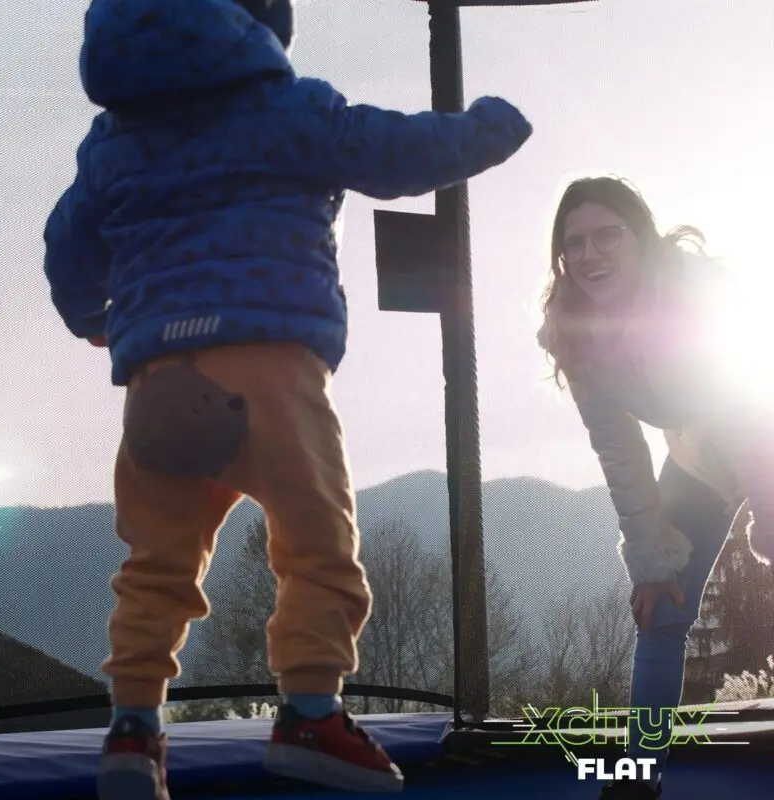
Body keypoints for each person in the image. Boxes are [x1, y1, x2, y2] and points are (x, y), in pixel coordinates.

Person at [42, 0, 533, 797]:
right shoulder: (288, 106)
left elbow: (69, 249)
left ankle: (133, 729)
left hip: (158, 382)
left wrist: (89, 318)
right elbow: (394, 152)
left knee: (156, 563)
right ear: (257, 28)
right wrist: (490, 128)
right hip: (271, 364)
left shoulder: (110, 142)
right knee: (315, 545)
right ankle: (310, 712)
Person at [536, 175, 774, 799]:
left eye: (606, 235)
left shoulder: (700, 294)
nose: (590, 256)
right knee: (659, 608)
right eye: (575, 244)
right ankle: (640, 777)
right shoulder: (576, 335)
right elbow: (618, 450)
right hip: (699, 460)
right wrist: (651, 553)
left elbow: (750, 400)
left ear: (640, 236)